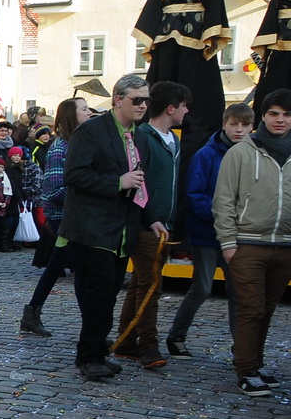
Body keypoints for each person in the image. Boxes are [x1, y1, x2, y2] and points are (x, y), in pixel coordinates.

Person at [214, 89, 291, 396]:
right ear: (263, 115)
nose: (280, 120)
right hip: (248, 243)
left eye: (287, 115)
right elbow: (223, 202)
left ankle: (255, 365)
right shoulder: (241, 152)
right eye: (274, 113)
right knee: (251, 307)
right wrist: (228, 243)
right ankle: (245, 369)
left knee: (267, 308)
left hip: (289, 245)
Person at [62, 75, 166, 382]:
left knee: (107, 297)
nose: (143, 106)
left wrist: (152, 218)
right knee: (96, 299)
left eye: (147, 101)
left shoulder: (141, 136)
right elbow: (74, 175)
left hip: (122, 232)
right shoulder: (92, 131)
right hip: (91, 230)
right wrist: (116, 183)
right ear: (118, 100)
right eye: (137, 100)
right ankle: (89, 356)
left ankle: (96, 352)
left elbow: (140, 186)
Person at [110, 81, 187, 369]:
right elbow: (139, 187)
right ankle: (147, 345)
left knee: (142, 284)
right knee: (151, 286)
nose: (187, 111)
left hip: (164, 223)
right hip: (146, 225)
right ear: (171, 108)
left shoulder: (174, 140)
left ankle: (125, 340)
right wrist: (150, 218)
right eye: (184, 106)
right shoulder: (142, 137)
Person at [166, 102, 251, 357]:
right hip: (207, 233)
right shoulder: (207, 154)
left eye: (245, 125)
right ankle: (176, 336)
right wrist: (222, 217)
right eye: (233, 124)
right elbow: (194, 195)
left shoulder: (253, 155)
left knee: (238, 292)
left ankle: (242, 348)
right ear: (224, 124)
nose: (239, 130)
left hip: (238, 234)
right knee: (202, 288)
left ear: (252, 127)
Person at [19, 99, 88, 338]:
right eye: (84, 109)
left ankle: (31, 312)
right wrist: (89, 190)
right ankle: (92, 328)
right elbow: (56, 190)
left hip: (75, 216)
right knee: (81, 269)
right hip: (63, 217)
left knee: (57, 266)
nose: (89, 112)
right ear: (71, 115)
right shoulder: (61, 148)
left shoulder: (78, 143)